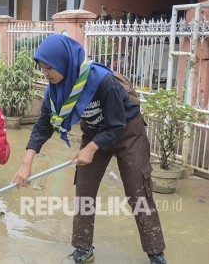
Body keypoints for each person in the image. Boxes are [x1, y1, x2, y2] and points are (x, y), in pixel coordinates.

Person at [11, 35, 167, 264]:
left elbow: (116, 124)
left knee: (138, 192)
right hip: (94, 132)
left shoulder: (102, 80)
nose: (45, 73)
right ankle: (83, 250)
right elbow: (42, 127)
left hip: (127, 132)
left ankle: (156, 253)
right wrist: (26, 163)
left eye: (49, 67)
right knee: (84, 190)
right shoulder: (54, 91)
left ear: (65, 62)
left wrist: (91, 148)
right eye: (42, 67)